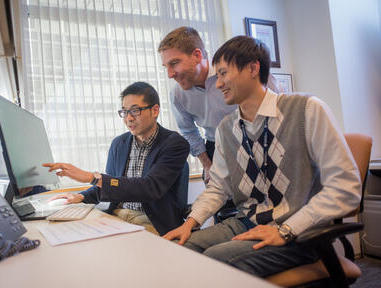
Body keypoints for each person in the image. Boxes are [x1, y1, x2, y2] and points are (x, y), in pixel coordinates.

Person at [163, 36, 361, 277]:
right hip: (249, 222)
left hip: (298, 232)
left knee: (213, 263)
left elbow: (346, 188)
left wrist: (286, 229)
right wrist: (189, 223)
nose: (218, 84)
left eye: (224, 74)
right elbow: (218, 188)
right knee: (179, 249)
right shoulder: (226, 129)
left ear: (253, 68)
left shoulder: (306, 109)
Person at [43, 82, 190, 236]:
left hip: (151, 221)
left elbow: (150, 188)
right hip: (116, 215)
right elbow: (113, 185)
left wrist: (91, 177)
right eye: (124, 112)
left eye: (135, 111)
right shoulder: (119, 143)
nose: (128, 118)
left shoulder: (174, 144)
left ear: (155, 110)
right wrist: (80, 196)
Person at [158, 26, 277, 184]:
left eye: (174, 63)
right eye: (166, 67)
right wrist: (208, 164)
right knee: (221, 203)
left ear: (197, 55)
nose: (170, 74)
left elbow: (277, 105)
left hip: (259, 140)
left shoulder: (240, 71)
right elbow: (188, 131)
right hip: (216, 147)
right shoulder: (177, 95)